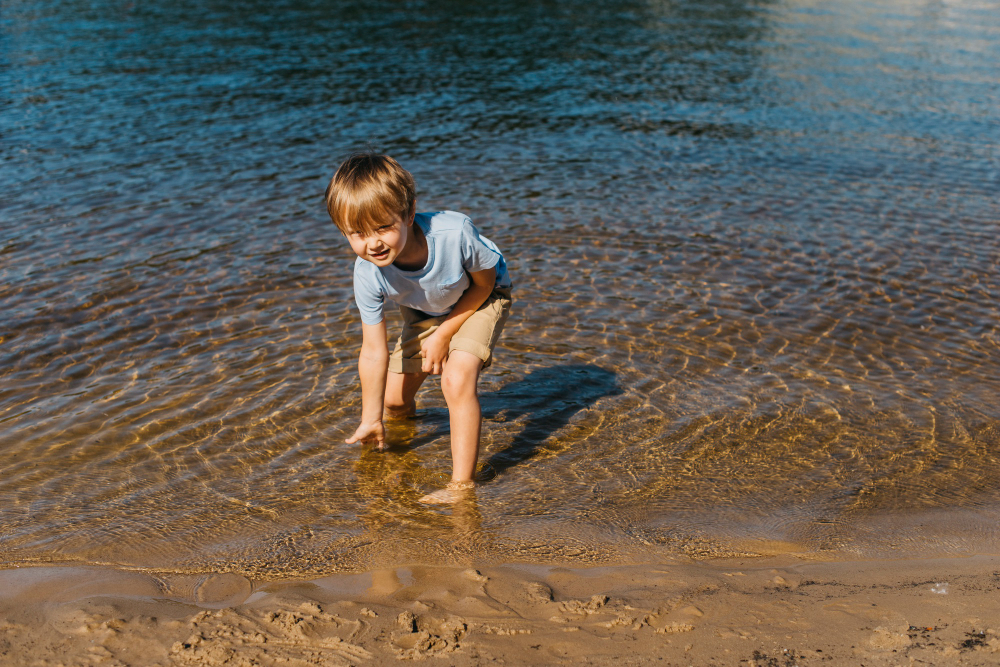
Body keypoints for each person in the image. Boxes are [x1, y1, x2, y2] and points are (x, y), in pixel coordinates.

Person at [325, 152, 513, 504]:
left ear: (409, 213)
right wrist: (371, 417)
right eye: (358, 233)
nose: (373, 243)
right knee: (394, 403)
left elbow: (484, 286)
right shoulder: (366, 273)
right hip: (425, 307)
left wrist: (444, 335)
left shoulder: (454, 233)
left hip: (480, 297)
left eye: (383, 227)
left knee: (455, 379)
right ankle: (397, 451)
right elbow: (373, 351)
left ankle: (461, 488)